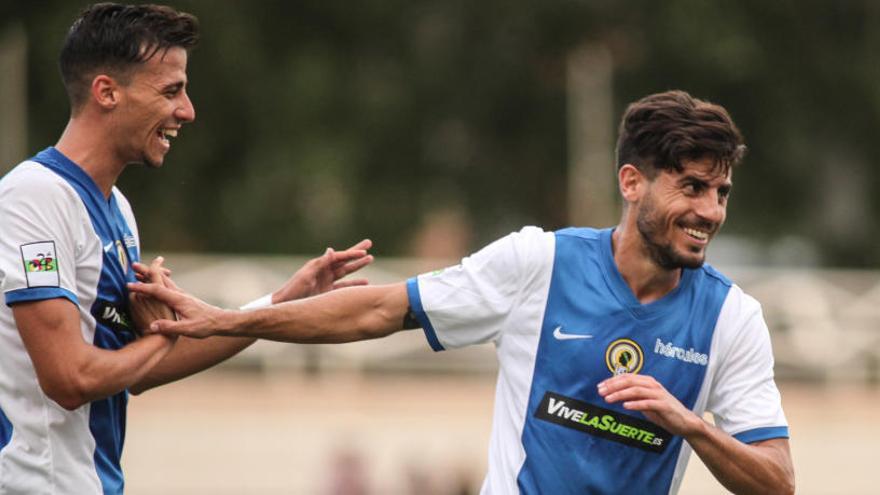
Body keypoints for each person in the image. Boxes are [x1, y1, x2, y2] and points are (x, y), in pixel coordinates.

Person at [131, 90, 795, 495]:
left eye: (721, 192)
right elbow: (379, 309)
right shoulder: (539, 261)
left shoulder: (731, 318)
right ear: (631, 182)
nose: (710, 210)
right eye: (691, 186)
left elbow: (777, 480)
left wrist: (688, 423)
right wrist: (227, 320)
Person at [0, 4, 372, 494]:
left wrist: (280, 304)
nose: (188, 110)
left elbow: (134, 370)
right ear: (107, 92)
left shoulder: (117, 211)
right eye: (171, 91)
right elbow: (69, 378)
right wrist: (163, 336)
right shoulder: (35, 198)